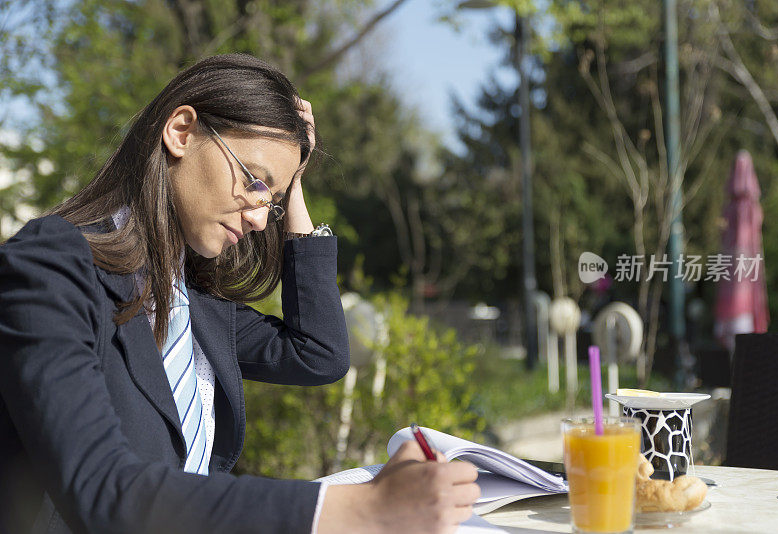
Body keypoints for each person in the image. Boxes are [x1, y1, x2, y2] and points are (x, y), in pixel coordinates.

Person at [0, 53, 479, 534]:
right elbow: (101, 487)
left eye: (270, 201)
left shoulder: (192, 304)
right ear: (181, 132)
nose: (257, 217)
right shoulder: (53, 266)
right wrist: (356, 509)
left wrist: (290, 185)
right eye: (253, 180)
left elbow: (320, 354)